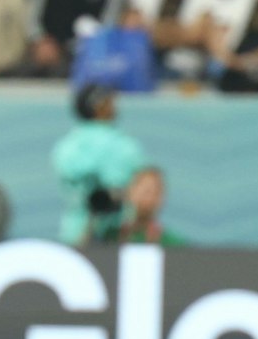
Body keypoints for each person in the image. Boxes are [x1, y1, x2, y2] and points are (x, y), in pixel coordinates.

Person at [53, 82, 146, 243]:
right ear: (98, 106)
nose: (114, 106)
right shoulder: (123, 145)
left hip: (76, 233)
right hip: (119, 232)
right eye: (109, 101)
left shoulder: (66, 146)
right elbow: (139, 183)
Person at [108, 165, 184, 245]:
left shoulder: (171, 243)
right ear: (130, 192)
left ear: (161, 199)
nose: (147, 198)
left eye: (154, 192)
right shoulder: (111, 234)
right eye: (144, 192)